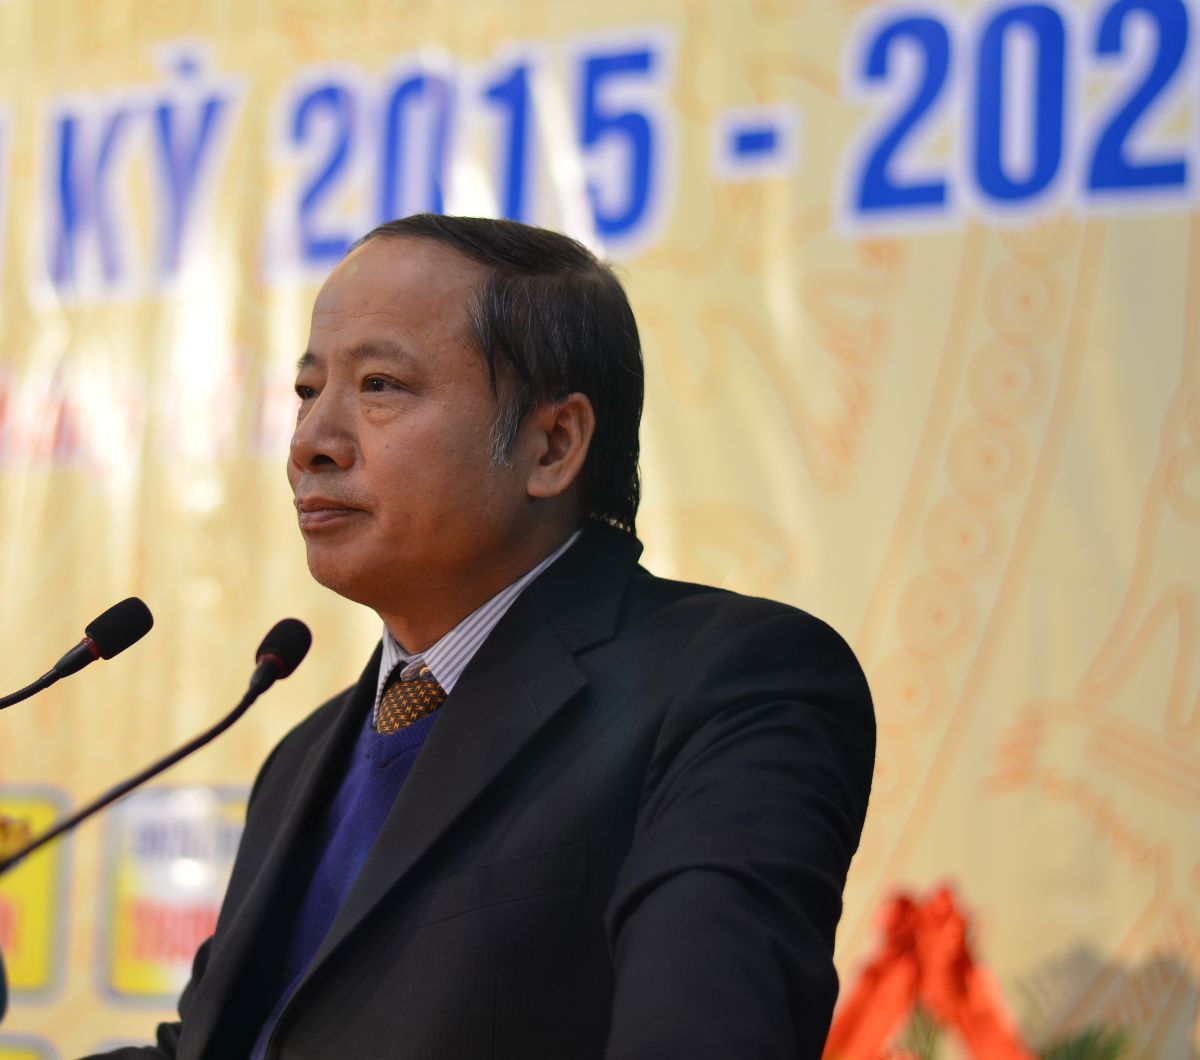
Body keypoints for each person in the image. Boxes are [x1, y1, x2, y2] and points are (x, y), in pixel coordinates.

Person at [92, 214, 875, 1059]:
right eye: (308, 390)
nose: (311, 442)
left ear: (552, 445)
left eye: (380, 385)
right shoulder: (301, 758)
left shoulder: (732, 684)